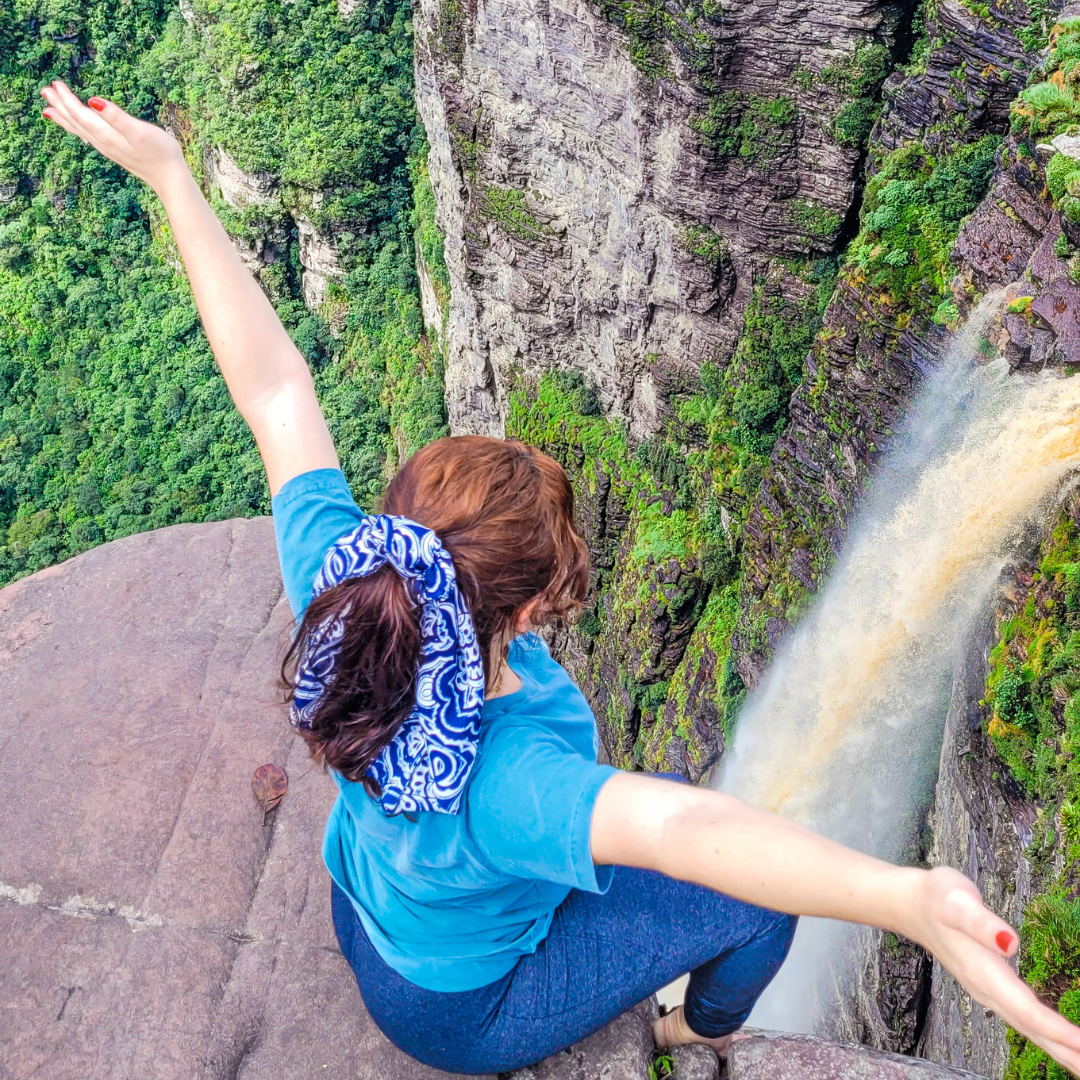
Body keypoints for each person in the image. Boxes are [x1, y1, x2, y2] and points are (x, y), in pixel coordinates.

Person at [39, 80, 1080, 1076]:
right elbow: (686, 828)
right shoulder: (509, 782)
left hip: (360, 904)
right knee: (758, 909)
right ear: (529, 606)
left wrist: (174, 178)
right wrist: (905, 899)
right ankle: (688, 1037)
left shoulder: (348, 577)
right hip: (455, 1013)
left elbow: (273, 390)